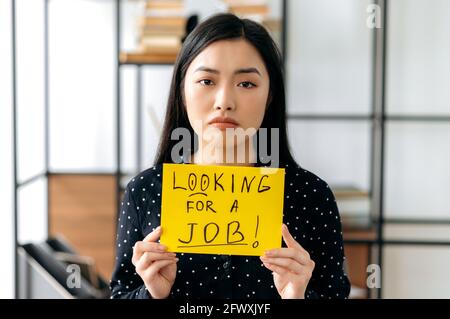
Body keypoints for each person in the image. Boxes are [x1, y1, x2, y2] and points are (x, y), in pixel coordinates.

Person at [110, 13, 351, 299]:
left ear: (270, 94)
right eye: (206, 81)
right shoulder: (145, 192)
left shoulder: (312, 196)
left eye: (246, 83)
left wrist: (297, 297)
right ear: (182, 91)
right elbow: (121, 292)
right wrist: (151, 294)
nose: (224, 101)